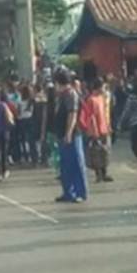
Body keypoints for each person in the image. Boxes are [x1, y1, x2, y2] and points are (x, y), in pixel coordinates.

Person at [54, 70, 88, 203]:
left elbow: (72, 114)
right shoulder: (62, 95)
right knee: (65, 164)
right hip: (62, 133)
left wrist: (68, 133)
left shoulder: (71, 94)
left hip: (72, 134)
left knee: (76, 163)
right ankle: (68, 192)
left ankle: (80, 192)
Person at [82, 78, 113, 183]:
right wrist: (94, 131)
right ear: (98, 87)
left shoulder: (101, 98)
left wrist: (108, 126)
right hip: (96, 130)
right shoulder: (91, 99)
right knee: (96, 153)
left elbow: (105, 113)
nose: (104, 89)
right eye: (103, 87)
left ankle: (105, 173)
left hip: (104, 128)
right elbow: (91, 117)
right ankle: (98, 174)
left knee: (105, 152)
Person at [16, 85, 37, 164]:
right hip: (30, 119)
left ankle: (26, 157)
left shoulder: (20, 101)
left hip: (22, 120)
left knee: (23, 140)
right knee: (31, 140)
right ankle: (34, 157)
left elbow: (18, 112)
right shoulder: (32, 101)